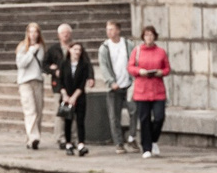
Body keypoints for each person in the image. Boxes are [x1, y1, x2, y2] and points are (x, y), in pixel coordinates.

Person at [128, 24, 172, 157]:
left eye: (151, 35)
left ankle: (153, 140)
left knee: (159, 117)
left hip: (157, 89)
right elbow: (130, 67)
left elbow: (167, 69)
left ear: (155, 36)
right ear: (143, 37)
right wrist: (139, 71)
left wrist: (160, 72)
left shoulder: (161, 52)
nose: (149, 37)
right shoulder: (137, 51)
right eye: (146, 35)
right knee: (144, 118)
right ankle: (146, 147)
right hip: (142, 89)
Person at [48, 32, 93, 155]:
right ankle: (68, 143)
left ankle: (81, 144)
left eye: (79, 49)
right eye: (75, 49)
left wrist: (74, 97)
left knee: (80, 120)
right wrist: (65, 95)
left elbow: (82, 83)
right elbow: (60, 81)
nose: (77, 52)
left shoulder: (83, 65)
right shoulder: (64, 64)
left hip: (79, 95)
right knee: (67, 120)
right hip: (66, 95)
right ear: (70, 50)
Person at [98, 19, 134, 150]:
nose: (109, 32)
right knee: (114, 116)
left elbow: (133, 60)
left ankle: (132, 137)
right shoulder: (104, 48)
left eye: (112, 29)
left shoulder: (128, 44)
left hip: (129, 84)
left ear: (118, 30)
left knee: (134, 111)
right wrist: (110, 82)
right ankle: (119, 142)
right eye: (107, 29)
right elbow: (104, 67)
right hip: (114, 86)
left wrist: (133, 80)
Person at [13, 21, 49, 151]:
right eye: (31, 32)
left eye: (36, 32)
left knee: (38, 111)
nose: (33, 34)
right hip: (25, 81)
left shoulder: (42, 48)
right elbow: (21, 64)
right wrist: (32, 50)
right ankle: (34, 137)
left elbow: (43, 64)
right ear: (27, 33)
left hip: (38, 80)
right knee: (30, 110)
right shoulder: (23, 47)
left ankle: (32, 139)